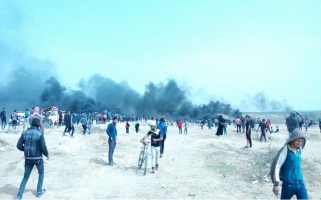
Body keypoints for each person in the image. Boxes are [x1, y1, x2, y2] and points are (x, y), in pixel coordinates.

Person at [16, 118, 49, 200]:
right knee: (41, 173)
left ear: (31, 124)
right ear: (38, 125)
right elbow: (43, 147)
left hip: (28, 158)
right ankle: (39, 191)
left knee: (25, 177)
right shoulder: (39, 134)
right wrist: (47, 154)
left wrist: (27, 149)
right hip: (37, 158)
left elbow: (19, 145)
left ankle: (19, 196)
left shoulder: (24, 133)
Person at [270, 128, 308, 199]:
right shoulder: (285, 150)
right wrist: (276, 184)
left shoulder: (299, 149)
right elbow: (276, 166)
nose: (299, 143)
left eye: (301, 141)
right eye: (298, 141)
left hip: (300, 183)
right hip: (288, 184)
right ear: (293, 139)